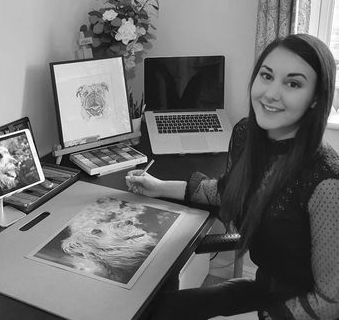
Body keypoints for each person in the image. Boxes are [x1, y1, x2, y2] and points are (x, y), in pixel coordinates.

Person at [125, 34, 339, 320]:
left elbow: (330, 301)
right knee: (149, 310)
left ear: (316, 98)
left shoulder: (327, 182)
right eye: (266, 76)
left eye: (293, 83)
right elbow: (228, 191)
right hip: (263, 290)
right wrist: (159, 187)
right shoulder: (246, 135)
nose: (271, 94)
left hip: (297, 309)